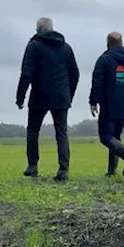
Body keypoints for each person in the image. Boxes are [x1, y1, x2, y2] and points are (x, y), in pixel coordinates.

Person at [16, 16, 80, 181]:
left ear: (38, 30)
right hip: (61, 96)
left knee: (33, 131)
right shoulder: (66, 48)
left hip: (40, 94)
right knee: (61, 133)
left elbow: (26, 73)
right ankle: (63, 170)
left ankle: (32, 166)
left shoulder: (34, 46)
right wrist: (69, 95)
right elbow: (75, 74)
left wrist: (20, 96)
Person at [88, 31, 124, 177]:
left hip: (109, 104)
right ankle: (112, 171)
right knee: (115, 136)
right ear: (121, 43)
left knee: (105, 137)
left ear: (108, 43)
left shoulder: (104, 60)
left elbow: (97, 82)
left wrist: (93, 101)